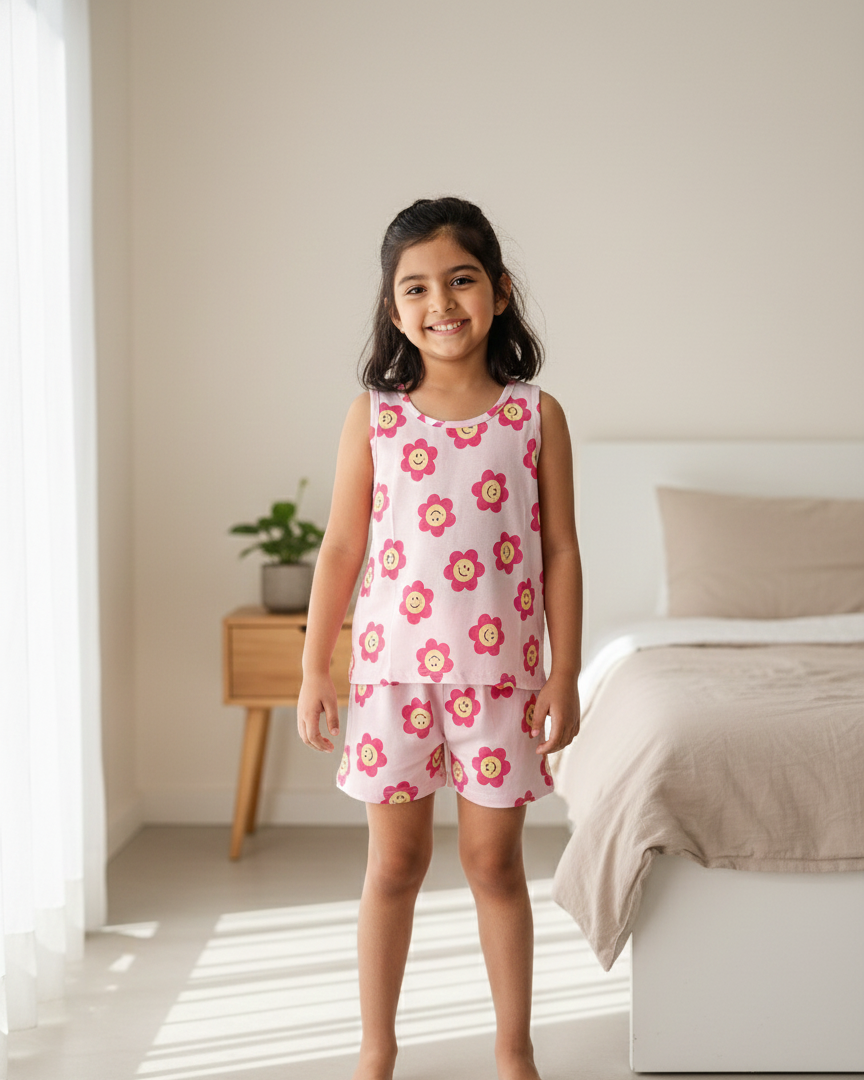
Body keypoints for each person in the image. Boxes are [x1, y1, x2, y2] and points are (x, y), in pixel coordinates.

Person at [297, 196, 582, 1080]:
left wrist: (563, 675)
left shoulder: (536, 417)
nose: (441, 303)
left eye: (460, 280)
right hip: (392, 681)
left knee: (495, 867)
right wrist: (316, 668)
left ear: (498, 291)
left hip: (501, 683)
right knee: (396, 865)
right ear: (394, 310)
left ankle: (513, 1051)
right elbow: (342, 547)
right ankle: (376, 1052)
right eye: (415, 288)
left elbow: (561, 553)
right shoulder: (375, 418)